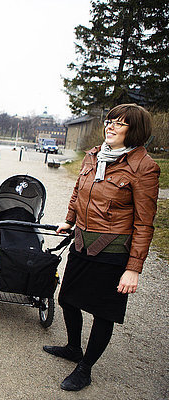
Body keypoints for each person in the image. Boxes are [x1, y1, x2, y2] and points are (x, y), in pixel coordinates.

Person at [44, 103, 160, 391]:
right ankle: (73, 347)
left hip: (112, 252)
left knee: (102, 311)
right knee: (67, 299)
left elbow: (145, 224)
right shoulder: (94, 155)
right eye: (110, 121)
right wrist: (69, 221)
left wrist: (133, 269)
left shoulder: (144, 168)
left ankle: (85, 368)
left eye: (119, 124)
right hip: (82, 242)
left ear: (136, 131)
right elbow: (78, 192)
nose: (110, 126)